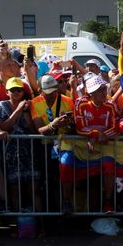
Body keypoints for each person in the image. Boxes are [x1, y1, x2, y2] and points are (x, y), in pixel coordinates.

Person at [0, 77, 42, 223]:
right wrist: (19, 110)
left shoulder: (30, 106)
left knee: (34, 189)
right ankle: (17, 224)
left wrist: (26, 113)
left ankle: (40, 224)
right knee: (15, 190)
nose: (16, 93)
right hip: (12, 153)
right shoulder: (2, 106)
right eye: (12, 90)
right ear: (7, 92)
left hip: (29, 151)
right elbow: (5, 127)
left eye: (19, 90)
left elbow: (34, 130)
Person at [65, 75, 117, 212]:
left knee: (109, 164)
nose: (103, 92)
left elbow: (114, 128)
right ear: (90, 93)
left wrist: (99, 136)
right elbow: (80, 127)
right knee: (67, 164)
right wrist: (95, 134)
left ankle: (107, 201)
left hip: (104, 144)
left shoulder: (110, 105)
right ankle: (67, 202)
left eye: (104, 88)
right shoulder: (80, 103)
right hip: (82, 144)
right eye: (99, 90)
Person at [30, 74, 74, 214]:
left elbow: (76, 127)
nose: (52, 95)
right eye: (48, 93)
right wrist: (53, 126)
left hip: (65, 145)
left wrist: (69, 125)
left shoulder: (68, 101)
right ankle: (52, 213)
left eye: (54, 91)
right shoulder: (34, 103)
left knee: (66, 173)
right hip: (44, 147)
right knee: (50, 182)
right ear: (40, 91)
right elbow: (39, 130)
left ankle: (66, 203)